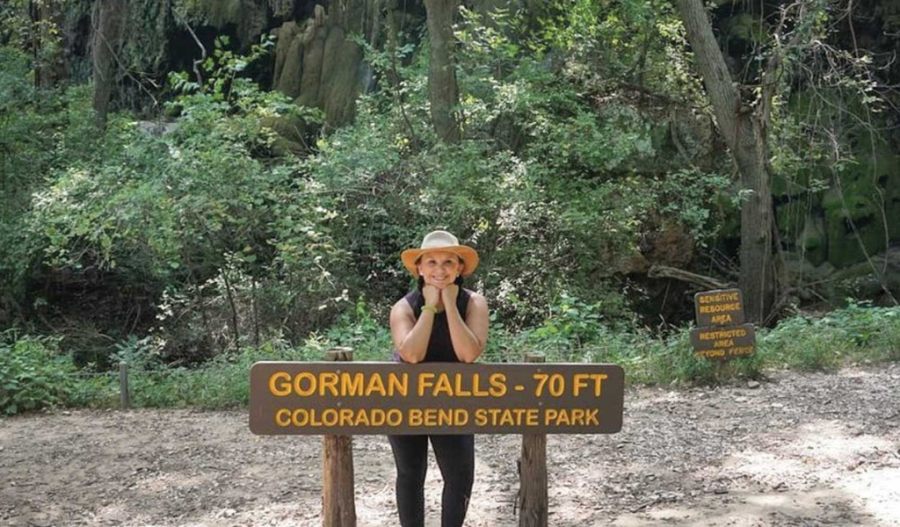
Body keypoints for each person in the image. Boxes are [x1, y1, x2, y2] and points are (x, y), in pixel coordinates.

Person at [388, 230, 489, 527]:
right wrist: (430, 307)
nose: (440, 269)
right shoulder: (404, 308)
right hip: (405, 399)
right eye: (431, 262)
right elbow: (413, 355)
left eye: (448, 262)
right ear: (419, 268)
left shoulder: (474, 303)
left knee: (459, 477)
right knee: (410, 473)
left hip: (454, 399)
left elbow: (468, 354)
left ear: (460, 268)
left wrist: (451, 304)